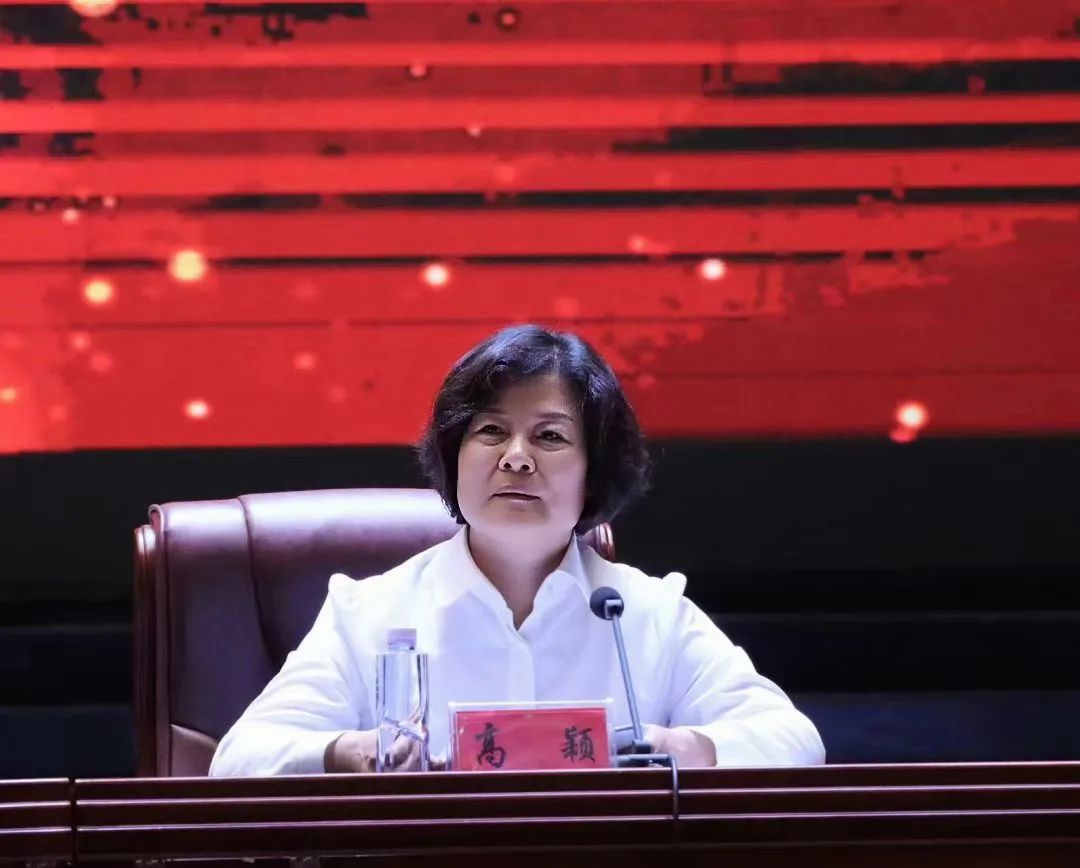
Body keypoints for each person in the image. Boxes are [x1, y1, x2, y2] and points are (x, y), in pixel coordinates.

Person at [210, 325, 825, 776]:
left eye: (550, 436)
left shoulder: (646, 614)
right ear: (454, 458)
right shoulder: (369, 613)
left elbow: (793, 740)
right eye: (491, 431)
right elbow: (239, 758)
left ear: (594, 472)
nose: (517, 457)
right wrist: (349, 752)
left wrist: (683, 747)